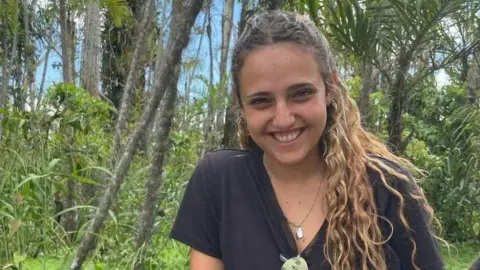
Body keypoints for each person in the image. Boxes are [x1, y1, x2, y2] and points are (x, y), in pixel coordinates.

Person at [170, 10, 445, 270]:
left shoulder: (388, 189)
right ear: (242, 107)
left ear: (330, 89)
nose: (284, 119)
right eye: (261, 101)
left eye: (301, 93)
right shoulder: (218, 181)